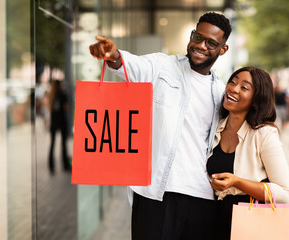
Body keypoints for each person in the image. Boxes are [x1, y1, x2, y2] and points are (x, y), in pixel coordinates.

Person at [90, 12, 231, 240]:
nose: (200, 45)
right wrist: (113, 56)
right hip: (157, 194)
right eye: (197, 37)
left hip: (203, 198)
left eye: (211, 43)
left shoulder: (221, 92)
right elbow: (130, 65)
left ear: (222, 49)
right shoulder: (162, 66)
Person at [206, 67, 289, 240]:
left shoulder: (264, 134)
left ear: (257, 99)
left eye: (244, 87)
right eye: (233, 81)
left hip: (250, 221)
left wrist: (237, 181)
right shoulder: (215, 127)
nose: (234, 88)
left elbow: (285, 193)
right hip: (214, 219)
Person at [48, 80, 70, 173]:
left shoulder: (51, 96)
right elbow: (66, 107)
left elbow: (49, 109)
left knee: (52, 144)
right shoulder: (62, 94)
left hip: (53, 122)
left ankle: (51, 166)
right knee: (63, 144)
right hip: (62, 121)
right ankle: (65, 165)